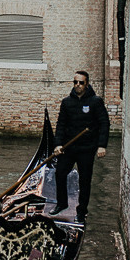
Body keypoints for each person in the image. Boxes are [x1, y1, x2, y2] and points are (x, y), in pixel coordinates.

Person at [52, 70, 110, 221]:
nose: (78, 85)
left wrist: (101, 145)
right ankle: (62, 203)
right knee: (60, 173)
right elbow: (61, 124)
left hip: (87, 148)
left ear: (87, 84)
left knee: (84, 180)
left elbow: (104, 123)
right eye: (75, 82)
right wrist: (57, 144)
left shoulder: (95, 101)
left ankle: (81, 211)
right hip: (68, 147)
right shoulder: (67, 102)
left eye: (81, 83)